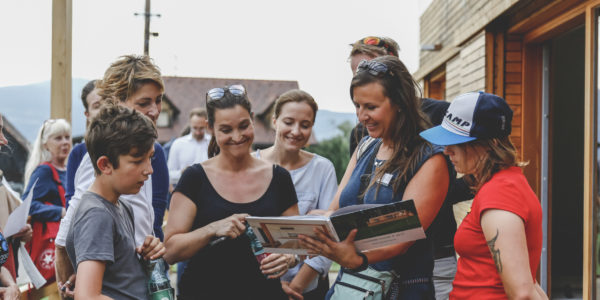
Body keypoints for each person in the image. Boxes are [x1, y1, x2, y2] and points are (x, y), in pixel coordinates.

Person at [299, 56, 451, 299]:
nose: (361, 116)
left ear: (400, 102)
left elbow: (401, 239)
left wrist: (356, 257)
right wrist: (302, 232)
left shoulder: (430, 159)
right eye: (357, 106)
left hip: (400, 289)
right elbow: (334, 211)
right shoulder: (366, 146)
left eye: (370, 107)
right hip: (352, 286)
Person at [348, 35, 469, 299]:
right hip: (370, 268)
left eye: (371, 67)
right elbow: (354, 196)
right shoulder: (363, 136)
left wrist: (430, 195)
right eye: (357, 72)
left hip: (431, 256)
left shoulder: (439, 114)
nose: (364, 77)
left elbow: (472, 172)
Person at [164, 84, 301, 300]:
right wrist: (213, 228)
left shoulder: (279, 178)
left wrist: (289, 258)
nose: (237, 137)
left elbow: (296, 242)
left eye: (244, 126)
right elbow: (170, 251)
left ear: (253, 120)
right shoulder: (195, 178)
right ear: (211, 128)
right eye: (226, 130)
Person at [54, 55, 169, 297]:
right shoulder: (104, 159)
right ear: (117, 103)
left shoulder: (122, 199)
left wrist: (147, 249)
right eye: (144, 103)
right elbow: (71, 228)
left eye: (158, 101)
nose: (155, 110)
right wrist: (70, 282)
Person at [419, 92, 547, 299]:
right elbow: (529, 281)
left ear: (492, 143)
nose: (446, 150)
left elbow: (522, 292)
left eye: (457, 142)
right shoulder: (502, 185)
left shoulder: (501, 193)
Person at [65, 104, 165, 299]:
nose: (149, 170)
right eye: (137, 160)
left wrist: (146, 257)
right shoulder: (97, 214)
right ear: (105, 164)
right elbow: (87, 297)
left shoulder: (121, 205)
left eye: (150, 158)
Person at [254, 89, 337, 299]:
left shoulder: (323, 169)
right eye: (289, 122)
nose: (296, 131)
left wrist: (296, 288)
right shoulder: (250, 165)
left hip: (306, 289)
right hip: (256, 283)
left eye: (305, 125)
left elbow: (329, 235)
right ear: (274, 121)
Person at [55, 79, 104, 299]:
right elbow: (73, 203)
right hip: (87, 247)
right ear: (87, 114)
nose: (104, 110)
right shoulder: (80, 153)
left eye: (108, 102)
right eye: (97, 105)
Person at [22, 118, 71, 286]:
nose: (65, 142)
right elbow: (27, 205)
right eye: (58, 138)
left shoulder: (68, 169)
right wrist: (60, 212)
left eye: (67, 137)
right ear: (45, 144)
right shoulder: (44, 171)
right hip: (54, 246)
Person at [167, 107, 211, 186]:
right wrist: (181, 173)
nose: (198, 132)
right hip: (185, 191)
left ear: (207, 125)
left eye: (201, 128)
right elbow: (168, 175)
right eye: (195, 128)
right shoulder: (178, 144)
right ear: (190, 124)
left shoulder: (213, 143)